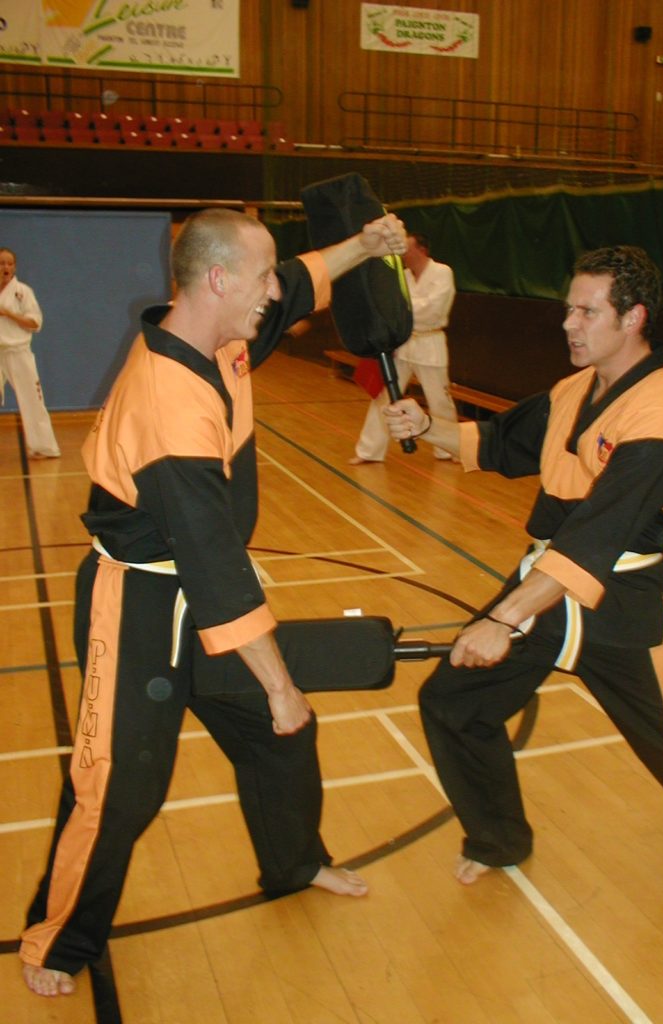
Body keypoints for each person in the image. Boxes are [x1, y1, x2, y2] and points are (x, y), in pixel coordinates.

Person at [20, 207, 407, 997]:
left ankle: (295, 863)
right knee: (121, 785)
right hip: (141, 608)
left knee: (278, 740)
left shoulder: (220, 337)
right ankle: (58, 938)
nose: (275, 289)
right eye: (261, 275)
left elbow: (300, 284)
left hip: (196, 591)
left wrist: (364, 245)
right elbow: (215, 571)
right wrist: (280, 682)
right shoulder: (168, 402)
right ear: (220, 279)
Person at [384, 244, 663, 884]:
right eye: (568, 310)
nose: (569, 324)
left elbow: (598, 534)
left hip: (622, 605)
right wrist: (428, 426)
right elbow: (505, 443)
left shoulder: (662, 413)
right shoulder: (574, 389)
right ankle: (497, 839)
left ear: (633, 318)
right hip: (545, 585)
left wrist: (503, 622)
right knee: (455, 705)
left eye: (587, 313)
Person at [350, 231, 458, 463]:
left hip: (430, 343)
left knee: (439, 400)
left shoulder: (442, 272)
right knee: (384, 397)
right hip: (402, 343)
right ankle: (368, 451)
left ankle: (448, 449)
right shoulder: (403, 276)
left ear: (422, 250)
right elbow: (391, 309)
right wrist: (402, 313)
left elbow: (434, 308)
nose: (403, 255)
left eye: (407, 249)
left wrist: (404, 311)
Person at [0, 247, 61, 460]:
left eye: (9, 263)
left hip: (18, 352)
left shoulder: (23, 292)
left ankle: (43, 447)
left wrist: (8, 313)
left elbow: (35, 323)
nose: (5, 267)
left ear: (14, 267)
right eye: (1, 263)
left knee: (32, 400)